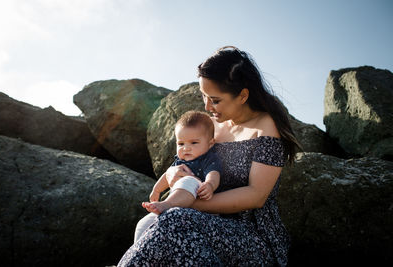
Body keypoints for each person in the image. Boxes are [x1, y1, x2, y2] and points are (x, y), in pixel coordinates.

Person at [117, 46, 301, 266]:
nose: (207, 106)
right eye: (203, 96)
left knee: (174, 219)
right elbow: (189, 161)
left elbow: (255, 196)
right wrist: (174, 172)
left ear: (243, 95)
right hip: (201, 223)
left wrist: (185, 205)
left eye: (215, 100)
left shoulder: (266, 129)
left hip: (252, 238)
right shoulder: (212, 126)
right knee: (149, 225)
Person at [142, 110, 221, 215]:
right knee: (143, 224)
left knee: (190, 180)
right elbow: (166, 176)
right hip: (177, 202)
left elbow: (214, 174)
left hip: (199, 202)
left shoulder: (208, 159)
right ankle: (163, 208)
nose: (186, 148)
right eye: (181, 144)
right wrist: (156, 190)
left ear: (210, 143)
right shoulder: (180, 162)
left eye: (194, 143)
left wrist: (210, 185)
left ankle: (166, 205)